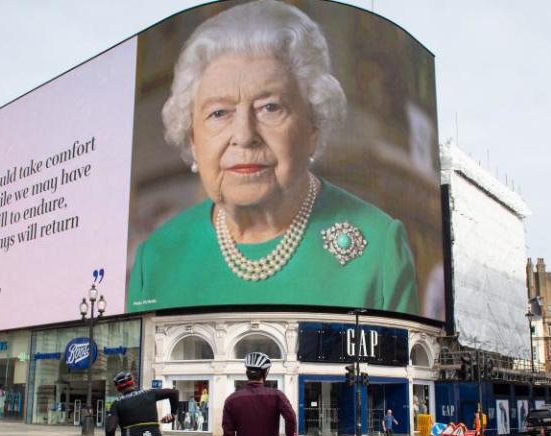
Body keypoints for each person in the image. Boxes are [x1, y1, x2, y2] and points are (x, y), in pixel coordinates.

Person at [126, 0, 420, 316]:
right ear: (193, 139)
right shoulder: (155, 260)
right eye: (219, 112)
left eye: (270, 107)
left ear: (313, 126)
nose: (243, 134)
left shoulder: (379, 248)